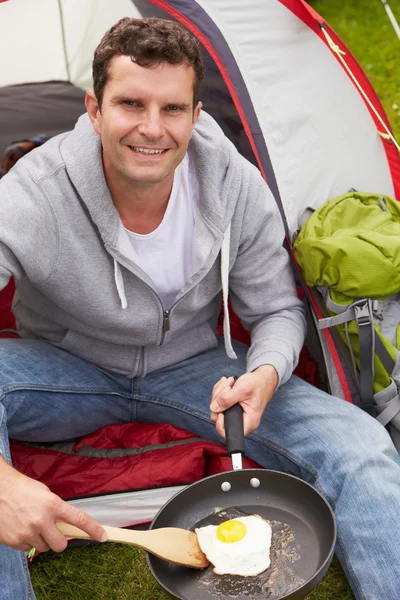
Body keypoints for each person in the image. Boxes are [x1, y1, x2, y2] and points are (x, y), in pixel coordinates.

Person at [0, 16, 399, 600]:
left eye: (173, 109)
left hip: (202, 371)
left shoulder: (234, 183)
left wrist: (262, 374)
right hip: (64, 367)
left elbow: (276, 313)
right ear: (93, 108)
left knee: (362, 447)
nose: (151, 129)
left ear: (197, 114)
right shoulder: (33, 192)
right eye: (130, 104)